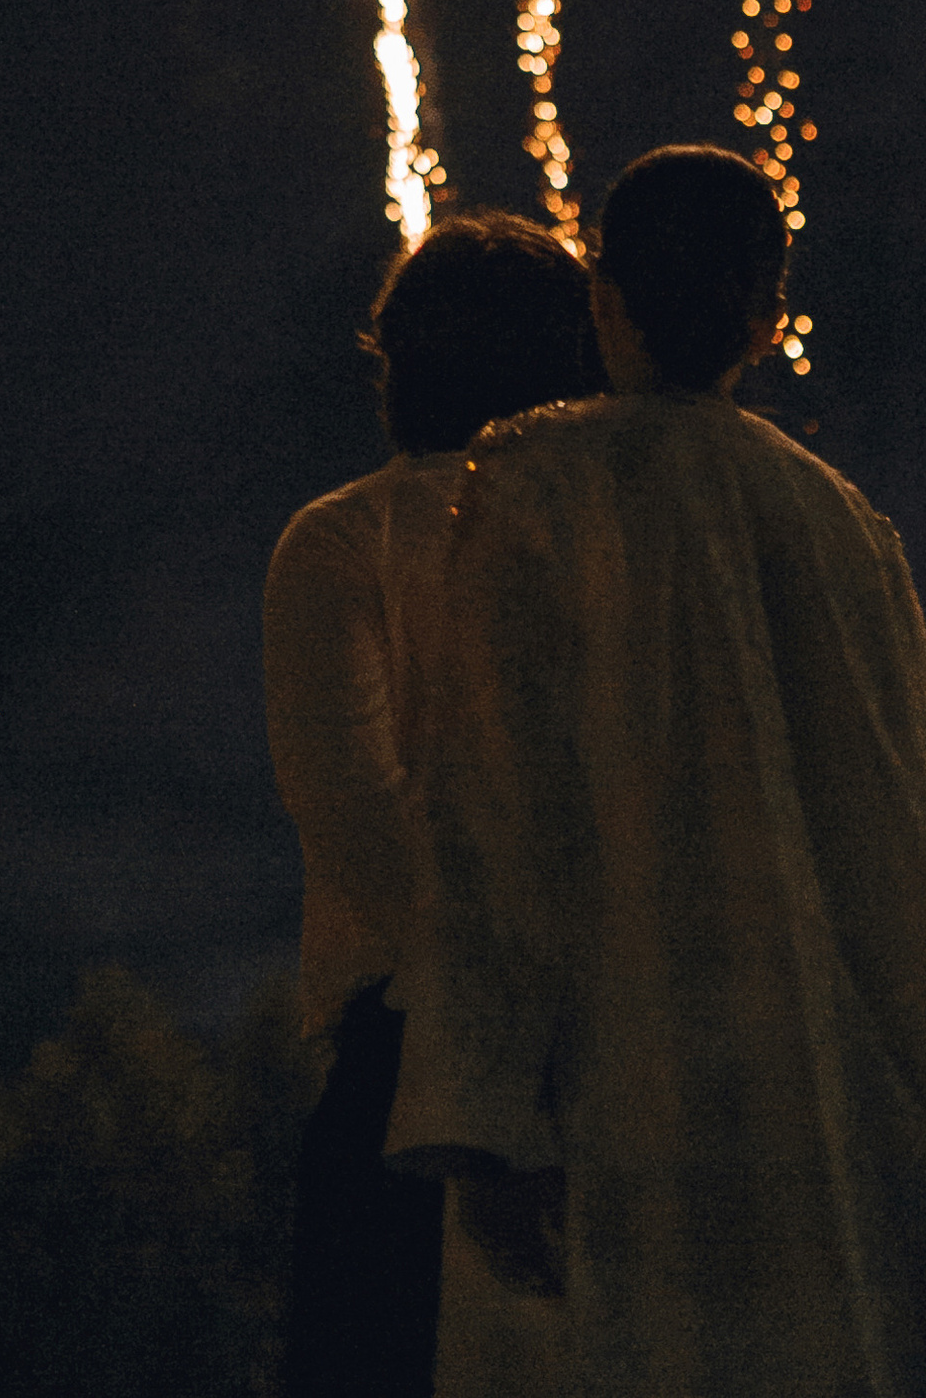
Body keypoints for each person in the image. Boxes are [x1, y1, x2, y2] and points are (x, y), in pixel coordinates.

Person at [386, 146, 926, 1398]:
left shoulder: (530, 485)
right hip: (836, 1083)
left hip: (625, 1083)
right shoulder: (847, 524)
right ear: (766, 312)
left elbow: (486, 816)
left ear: (602, 296)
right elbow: (906, 828)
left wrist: (479, 1113)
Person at [265, 213, 603, 1398]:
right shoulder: (619, 543)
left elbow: (352, 807)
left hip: (410, 1044)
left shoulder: (340, 537)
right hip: (614, 1036)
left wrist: (482, 1016)